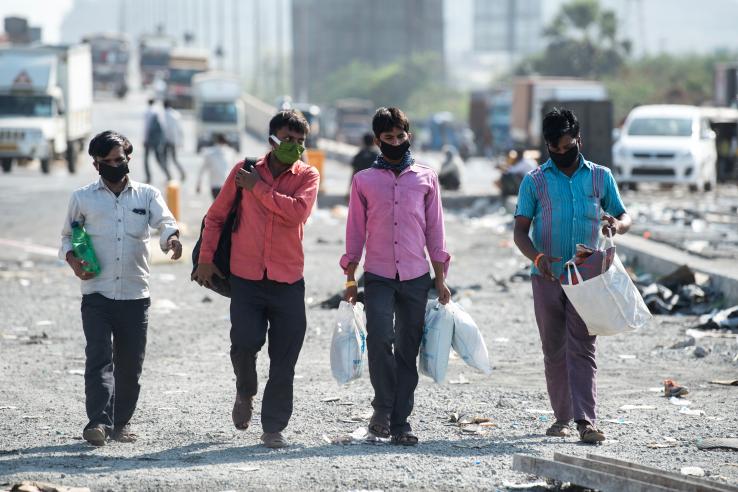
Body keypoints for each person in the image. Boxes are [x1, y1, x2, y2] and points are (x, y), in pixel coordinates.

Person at [192, 110, 320, 449]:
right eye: (287, 140)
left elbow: (296, 213)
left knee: (284, 359)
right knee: (244, 344)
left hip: (288, 280)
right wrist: (205, 260)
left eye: (299, 142)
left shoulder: (308, 175)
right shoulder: (244, 170)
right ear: (272, 140)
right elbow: (216, 218)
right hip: (246, 278)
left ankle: (274, 427)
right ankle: (244, 391)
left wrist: (259, 190)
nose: (294, 147)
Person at [513, 108, 631, 444]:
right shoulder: (534, 181)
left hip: (587, 277)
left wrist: (617, 224)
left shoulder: (599, 177)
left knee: (583, 346)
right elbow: (521, 230)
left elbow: (623, 213)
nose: (563, 153)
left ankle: (586, 421)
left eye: (568, 146)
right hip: (547, 276)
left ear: (578, 139)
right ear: (548, 146)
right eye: (556, 149)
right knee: (554, 349)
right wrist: (536, 256)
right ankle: (561, 417)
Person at [59, 131, 182, 446]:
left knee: (129, 365)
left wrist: (172, 240)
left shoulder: (146, 195)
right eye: (109, 161)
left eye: (121, 159)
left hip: (135, 295)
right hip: (96, 293)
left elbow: (166, 223)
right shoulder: (82, 198)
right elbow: (66, 237)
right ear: (97, 164)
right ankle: (98, 423)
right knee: (98, 358)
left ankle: (121, 423)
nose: (117, 165)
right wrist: (73, 260)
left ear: (129, 158)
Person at [341, 107, 451, 446]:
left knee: (408, 346)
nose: (395, 142)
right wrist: (350, 277)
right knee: (379, 339)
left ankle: (401, 422)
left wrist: (440, 277)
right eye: (388, 138)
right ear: (377, 141)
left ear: (409, 136)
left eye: (400, 136)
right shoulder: (363, 181)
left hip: (417, 276)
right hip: (377, 275)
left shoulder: (426, 177)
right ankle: (382, 408)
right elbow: (355, 232)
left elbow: (436, 230)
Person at [197, 133, 238, 199]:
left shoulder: (209, 153)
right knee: (226, 207)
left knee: (217, 206)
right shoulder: (231, 152)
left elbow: (202, 169)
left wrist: (199, 184)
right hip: (227, 184)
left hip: (214, 184)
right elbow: (236, 170)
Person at [142, 99, 168, 182]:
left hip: (149, 140)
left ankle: (148, 177)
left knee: (146, 159)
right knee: (159, 159)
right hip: (156, 141)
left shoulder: (148, 112)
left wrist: (145, 139)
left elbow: (146, 128)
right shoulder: (158, 112)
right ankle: (168, 175)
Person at [163, 100, 187, 181]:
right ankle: (182, 173)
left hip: (166, 141)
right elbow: (180, 130)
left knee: (164, 159)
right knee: (174, 159)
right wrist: (180, 142)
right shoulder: (176, 114)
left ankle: (169, 176)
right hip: (174, 140)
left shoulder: (163, 115)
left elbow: (165, 129)